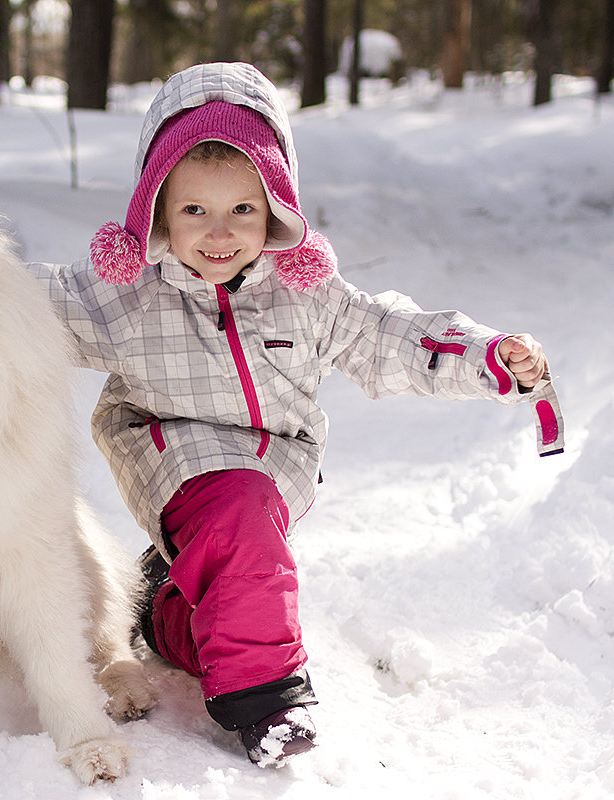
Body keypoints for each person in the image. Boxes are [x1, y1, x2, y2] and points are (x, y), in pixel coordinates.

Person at [30, 62, 563, 767]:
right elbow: (21, 302)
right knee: (238, 511)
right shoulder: (123, 293)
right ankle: (268, 701)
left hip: (278, 462)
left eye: (242, 210)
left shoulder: (303, 293)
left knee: (238, 588)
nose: (219, 234)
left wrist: (489, 355)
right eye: (195, 211)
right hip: (171, 452)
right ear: (158, 210)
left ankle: (166, 616)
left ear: (276, 207)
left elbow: (389, 334)